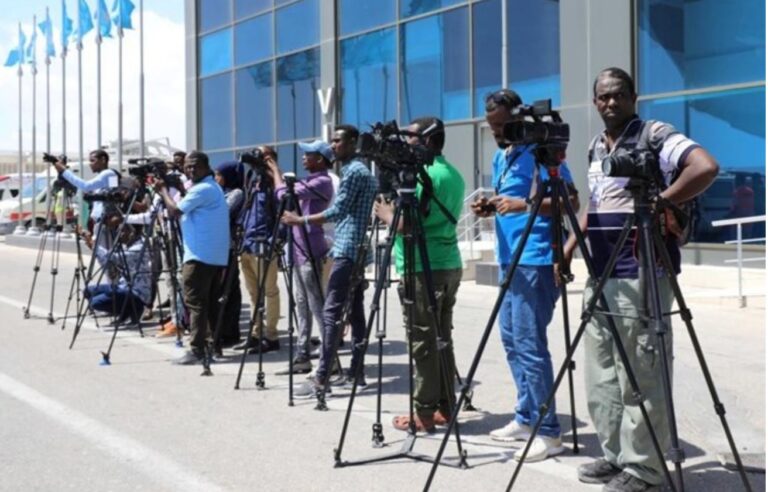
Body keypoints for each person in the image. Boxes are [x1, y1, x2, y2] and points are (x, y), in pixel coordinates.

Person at [563, 67, 718, 492]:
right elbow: (595, 204)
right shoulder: (597, 145)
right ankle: (617, 456)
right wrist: (569, 247)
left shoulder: (654, 133)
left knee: (641, 372)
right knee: (603, 373)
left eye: (617, 95)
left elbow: (705, 167)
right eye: (602, 97)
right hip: (600, 270)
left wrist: (659, 201)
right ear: (594, 101)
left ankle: (647, 469)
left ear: (633, 96)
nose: (609, 103)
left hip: (641, 271)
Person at [470, 89, 579, 462]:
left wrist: (524, 204)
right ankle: (526, 416)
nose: (497, 132)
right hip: (508, 259)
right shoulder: (504, 155)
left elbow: (572, 200)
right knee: (512, 341)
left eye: (503, 125)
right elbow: (508, 203)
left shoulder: (539, 152)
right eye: (492, 127)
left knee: (531, 346)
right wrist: (492, 207)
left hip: (536, 259)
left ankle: (548, 433)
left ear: (518, 120)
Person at [373, 117, 465, 433]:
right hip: (448, 262)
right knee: (442, 337)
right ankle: (445, 405)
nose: (405, 142)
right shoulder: (451, 172)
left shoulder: (426, 176)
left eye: (410, 136)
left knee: (422, 340)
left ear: (426, 139)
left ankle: (424, 413)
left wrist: (387, 215)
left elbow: (409, 225)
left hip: (423, 266)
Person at [283, 125, 378, 398]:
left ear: (352, 143)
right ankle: (356, 371)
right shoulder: (358, 171)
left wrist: (299, 219)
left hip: (348, 248)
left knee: (331, 312)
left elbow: (338, 210)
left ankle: (322, 377)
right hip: (354, 248)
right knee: (356, 312)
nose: (333, 145)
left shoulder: (354, 172)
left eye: (337, 141)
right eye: (333, 141)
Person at [155, 151, 230, 365]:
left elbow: (174, 211)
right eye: (187, 167)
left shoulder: (203, 188)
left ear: (207, 167)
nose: (190, 170)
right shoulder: (210, 187)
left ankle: (197, 349)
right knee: (209, 304)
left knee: (195, 302)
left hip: (198, 255)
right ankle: (214, 347)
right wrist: (178, 188)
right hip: (213, 255)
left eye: (195, 166)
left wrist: (162, 191)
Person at [270, 141, 334, 374]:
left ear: (321, 158)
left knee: (317, 305)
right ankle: (302, 355)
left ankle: (330, 360)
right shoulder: (309, 180)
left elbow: (282, 194)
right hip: (297, 250)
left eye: (309, 154)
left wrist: (275, 170)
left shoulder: (322, 181)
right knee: (301, 304)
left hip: (310, 249)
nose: (304, 158)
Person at [233, 146, 282, 354]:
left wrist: (275, 242)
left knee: (269, 292)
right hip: (247, 244)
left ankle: (271, 336)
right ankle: (255, 334)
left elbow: (283, 214)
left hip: (265, 245)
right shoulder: (253, 180)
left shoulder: (275, 184)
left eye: (260, 156)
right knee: (253, 294)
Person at [82, 223, 152, 326]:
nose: (119, 234)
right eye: (118, 231)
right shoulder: (127, 245)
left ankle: (133, 310)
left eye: (122, 231)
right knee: (88, 291)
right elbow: (108, 262)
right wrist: (93, 248)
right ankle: (125, 312)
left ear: (131, 233)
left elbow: (112, 257)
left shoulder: (139, 248)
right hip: (123, 286)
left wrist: (94, 245)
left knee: (95, 303)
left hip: (136, 292)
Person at [212, 161, 245, 349]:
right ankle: (225, 330)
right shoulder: (221, 193)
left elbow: (222, 212)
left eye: (219, 175)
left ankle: (228, 332)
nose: (216, 178)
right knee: (225, 290)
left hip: (228, 247)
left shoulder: (236, 193)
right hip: (219, 245)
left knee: (227, 291)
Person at [53, 149, 120, 240]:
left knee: (102, 252)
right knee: (99, 250)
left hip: (104, 221)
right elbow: (92, 192)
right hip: (100, 220)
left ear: (103, 160)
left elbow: (86, 186)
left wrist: (64, 171)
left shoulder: (108, 173)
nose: (90, 164)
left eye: (93, 161)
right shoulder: (107, 175)